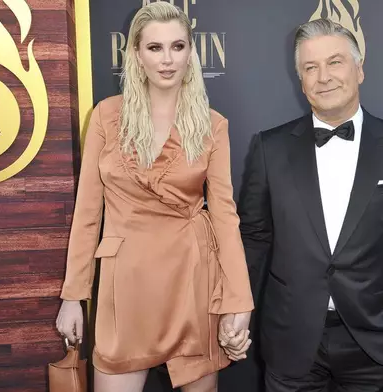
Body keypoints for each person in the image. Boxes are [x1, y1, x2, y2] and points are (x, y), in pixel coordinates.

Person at [55, 3, 253, 392]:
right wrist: (73, 296)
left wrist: (239, 301)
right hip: (125, 286)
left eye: (177, 47)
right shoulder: (106, 117)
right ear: (135, 54)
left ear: (191, 53)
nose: (167, 60)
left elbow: (226, 217)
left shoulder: (213, 125)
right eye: (155, 48)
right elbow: (88, 213)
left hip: (192, 278)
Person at [236, 19, 383, 392]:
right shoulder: (269, 148)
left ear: (359, 70)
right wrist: (237, 310)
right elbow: (254, 239)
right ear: (300, 80)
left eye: (335, 62)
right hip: (291, 340)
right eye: (310, 67)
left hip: (376, 341)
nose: (323, 77)